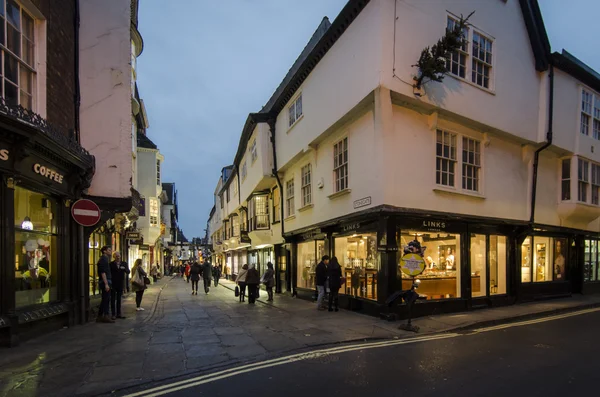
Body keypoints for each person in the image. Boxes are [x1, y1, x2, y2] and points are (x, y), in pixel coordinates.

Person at [97, 246, 114, 323]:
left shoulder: (105, 259)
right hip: (105, 281)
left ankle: (100, 316)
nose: (111, 251)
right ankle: (105, 316)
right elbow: (103, 272)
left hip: (106, 281)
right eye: (109, 250)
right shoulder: (103, 259)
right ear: (104, 251)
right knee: (106, 299)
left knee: (105, 299)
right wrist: (106, 283)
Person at [109, 251, 129, 320]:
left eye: (118, 256)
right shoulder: (111, 264)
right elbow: (109, 273)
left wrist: (125, 269)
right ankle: (113, 314)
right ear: (114, 257)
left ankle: (119, 313)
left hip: (120, 283)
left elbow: (128, 272)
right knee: (113, 299)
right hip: (113, 283)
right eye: (116, 256)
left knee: (119, 299)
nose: (118, 257)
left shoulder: (124, 263)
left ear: (120, 256)